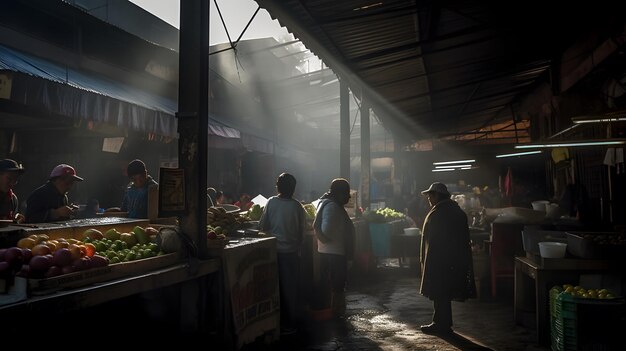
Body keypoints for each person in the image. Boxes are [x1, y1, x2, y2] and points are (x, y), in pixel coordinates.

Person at [419, 182, 475, 334]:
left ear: (437, 195)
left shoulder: (439, 213)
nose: (428, 199)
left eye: (430, 195)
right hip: (454, 260)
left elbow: (436, 241)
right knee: (444, 292)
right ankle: (444, 323)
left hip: (441, 260)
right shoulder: (456, 211)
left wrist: (431, 262)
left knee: (440, 292)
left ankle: (440, 325)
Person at [259, 173, 306, 335]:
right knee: (289, 290)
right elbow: (302, 233)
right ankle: (289, 324)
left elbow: (262, 226)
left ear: (277, 186)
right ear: (293, 189)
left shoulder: (271, 202)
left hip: (272, 253)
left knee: (272, 289)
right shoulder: (298, 206)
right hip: (292, 254)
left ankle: (274, 324)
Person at [313, 178, 355, 318]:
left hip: (330, 252)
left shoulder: (329, 203)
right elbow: (326, 231)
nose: (349, 197)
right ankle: (336, 314)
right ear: (338, 193)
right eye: (346, 193)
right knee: (337, 286)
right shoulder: (332, 207)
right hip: (334, 254)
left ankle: (335, 313)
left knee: (336, 285)